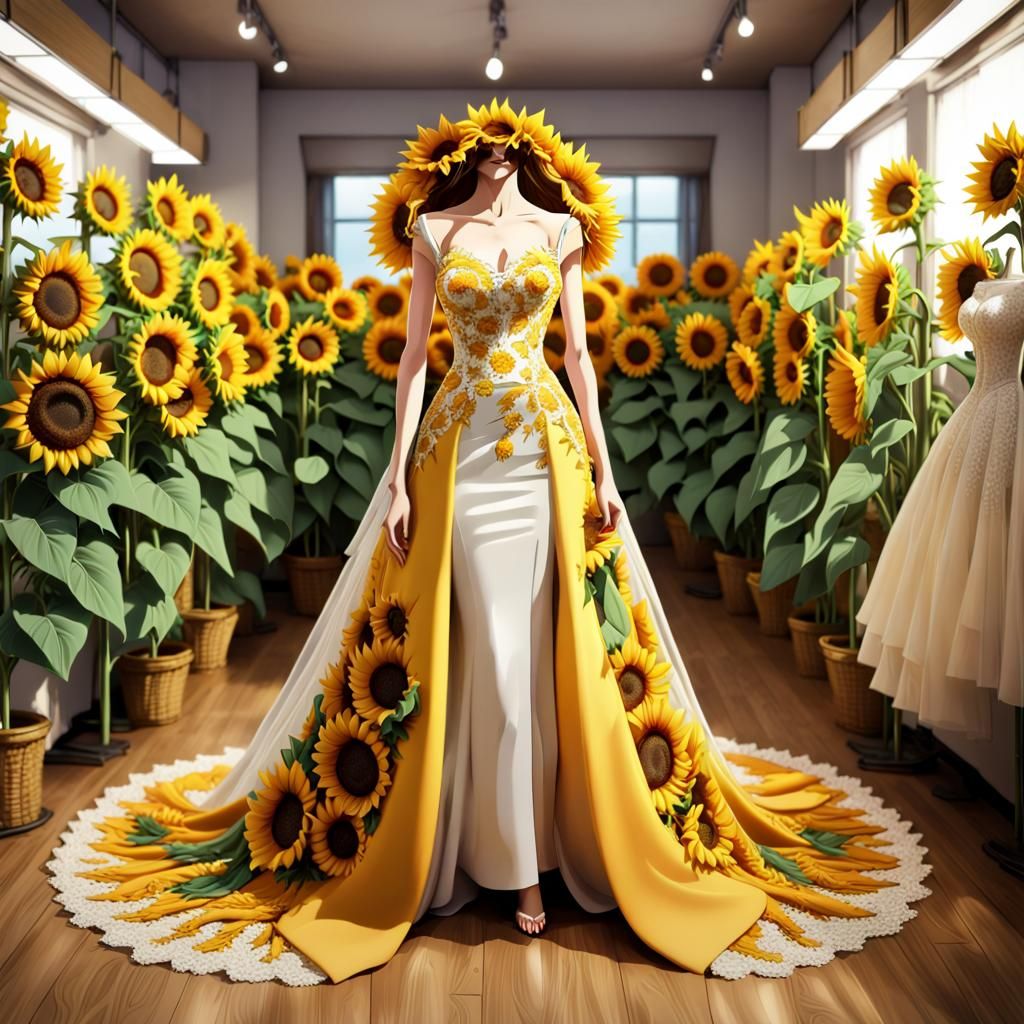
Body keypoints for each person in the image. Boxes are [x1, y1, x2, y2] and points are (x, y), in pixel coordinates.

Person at [46, 99, 930, 987]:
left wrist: (607, 469)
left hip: (546, 454)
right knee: (487, 654)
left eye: (514, 143)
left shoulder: (562, 229)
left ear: (531, 149)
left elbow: (578, 357)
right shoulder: (433, 228)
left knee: (546, 655)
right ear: (464, 150)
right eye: (487, 143)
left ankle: (533, 847)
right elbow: (416, 360)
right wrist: (396, 474)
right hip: (458, 454)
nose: (500, 155)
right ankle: (493, 854)